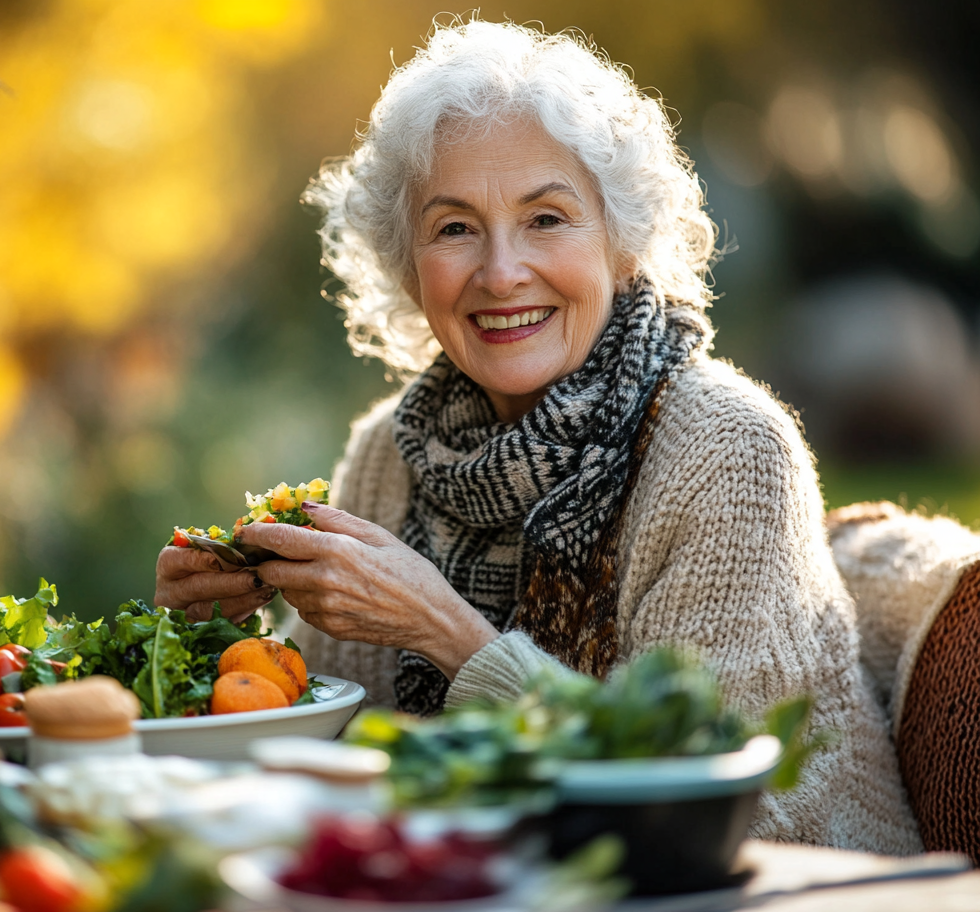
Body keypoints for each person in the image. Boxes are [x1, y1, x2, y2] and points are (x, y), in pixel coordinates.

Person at [154, 20, 921, 854]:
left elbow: (700, 804)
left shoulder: (728, 453)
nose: (501, 272)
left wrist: (446, 632)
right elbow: (314, 762)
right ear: (408, 267)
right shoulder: (392, 453)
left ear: (624, 243)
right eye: (454, 228)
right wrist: (208, 636)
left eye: (547, 218)